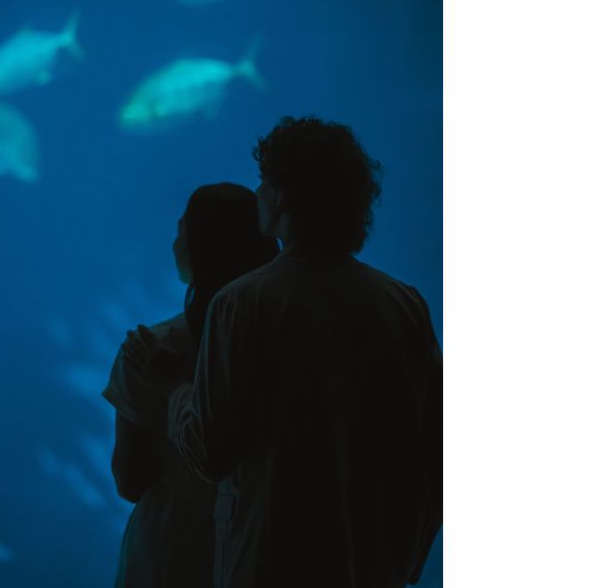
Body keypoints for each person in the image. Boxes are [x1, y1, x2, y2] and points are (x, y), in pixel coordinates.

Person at [127, 116, 443, 588]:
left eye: (264, 181)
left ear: (281, 196)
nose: (258, 192)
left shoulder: (241, 303)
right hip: (373, 568)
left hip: (269, 563)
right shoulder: (404, 304)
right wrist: (406, 559)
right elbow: (437, 450)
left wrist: (174, 387)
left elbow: (209, 455)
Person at [102, 183, 279, 588]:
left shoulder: (148, 350)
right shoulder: (288, 346)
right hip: (262, 546)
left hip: (169, 552)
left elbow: (130, 480)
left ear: (197, 247)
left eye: (181, 230)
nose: (174, 243)